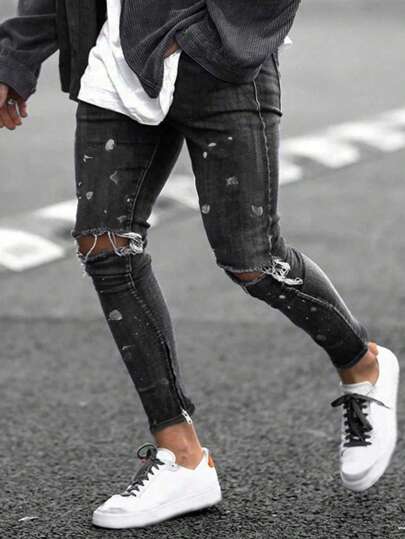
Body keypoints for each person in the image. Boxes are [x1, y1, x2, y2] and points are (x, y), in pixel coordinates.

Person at [0, 0, 399, 530]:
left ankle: (363, 365)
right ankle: (181, 456)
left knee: (253, 260)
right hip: (112, 60)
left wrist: (216, 39)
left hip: (218, 63)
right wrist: (16, 56)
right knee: (106, 247)